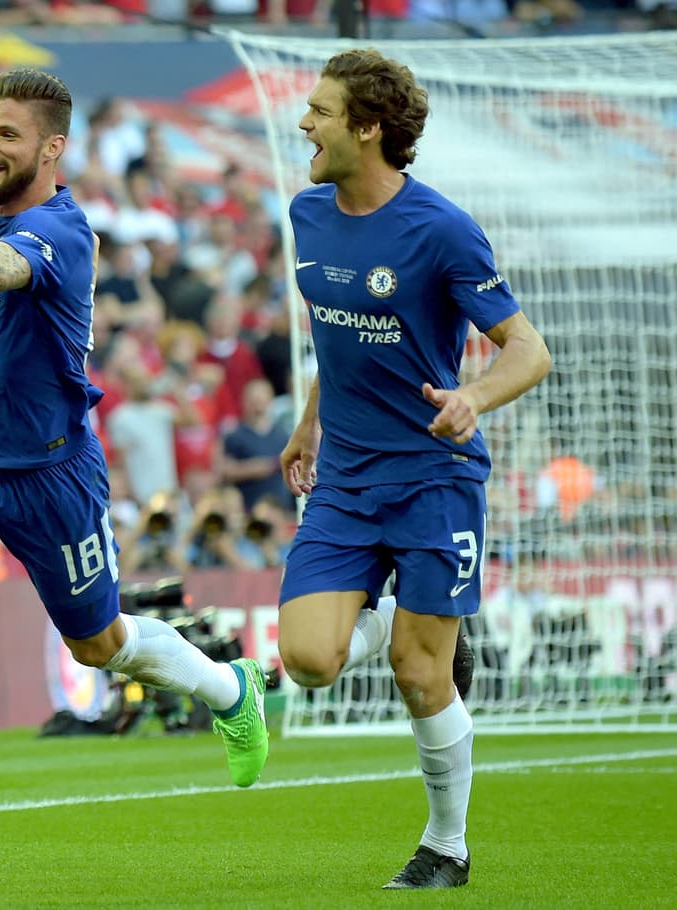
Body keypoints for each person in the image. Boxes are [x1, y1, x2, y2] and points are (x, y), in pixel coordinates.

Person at [0, 68, 269, 851]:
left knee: (98, 645)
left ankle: (226, 687)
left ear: (53, 148)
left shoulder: (63, 234)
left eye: (8, 135)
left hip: (50, 478)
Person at [277, 50, 552, 890]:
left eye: (321, 112)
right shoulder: (308, 212)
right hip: (348, 478)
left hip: (436, 475)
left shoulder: (442, 229)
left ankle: (447, 848)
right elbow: (340, 329)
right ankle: (405, 607)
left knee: (419, 672)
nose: (304, 124)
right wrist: (307, 424)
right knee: (307, 660)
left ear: (368, 127)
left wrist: (475, 396)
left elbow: (529, 351)